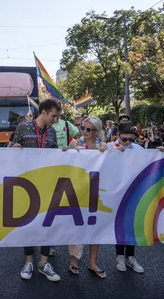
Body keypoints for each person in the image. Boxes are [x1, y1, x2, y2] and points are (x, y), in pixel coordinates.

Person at [10, 99, 61, 282]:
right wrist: (12, 148)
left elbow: (55, 155)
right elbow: (10, 149)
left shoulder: (53, 132)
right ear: (44, 112)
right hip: (26, 183)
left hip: (46, 183)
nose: (55, 120)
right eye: (54, 116)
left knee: (47, 223)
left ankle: (44, 263)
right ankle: (29, 261)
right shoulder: (22, 128)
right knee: (28, 223)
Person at [64, 116, 108, 279]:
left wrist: (108, 153)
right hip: (76, 191)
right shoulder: (75, 144)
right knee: (75, 227)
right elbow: (62, 161)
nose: (84, 131)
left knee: (95, 228)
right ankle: (73, 261)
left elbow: (117, 161)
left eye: (88, 129)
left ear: (96, 132)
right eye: (83, 128)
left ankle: (92, 263)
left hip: (97, 192)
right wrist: (69, 152)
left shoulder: (103, 146)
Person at [106, 123, 145, 274]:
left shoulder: (139, 150)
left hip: (134, 192)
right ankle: (119, 256)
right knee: (119, 225)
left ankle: (131, 257)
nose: (128, 143)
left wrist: (160, 151)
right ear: (117, 135)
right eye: (124, 139)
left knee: (131, 225)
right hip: (116, 192)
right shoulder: (110, 146)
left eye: (130, 139)